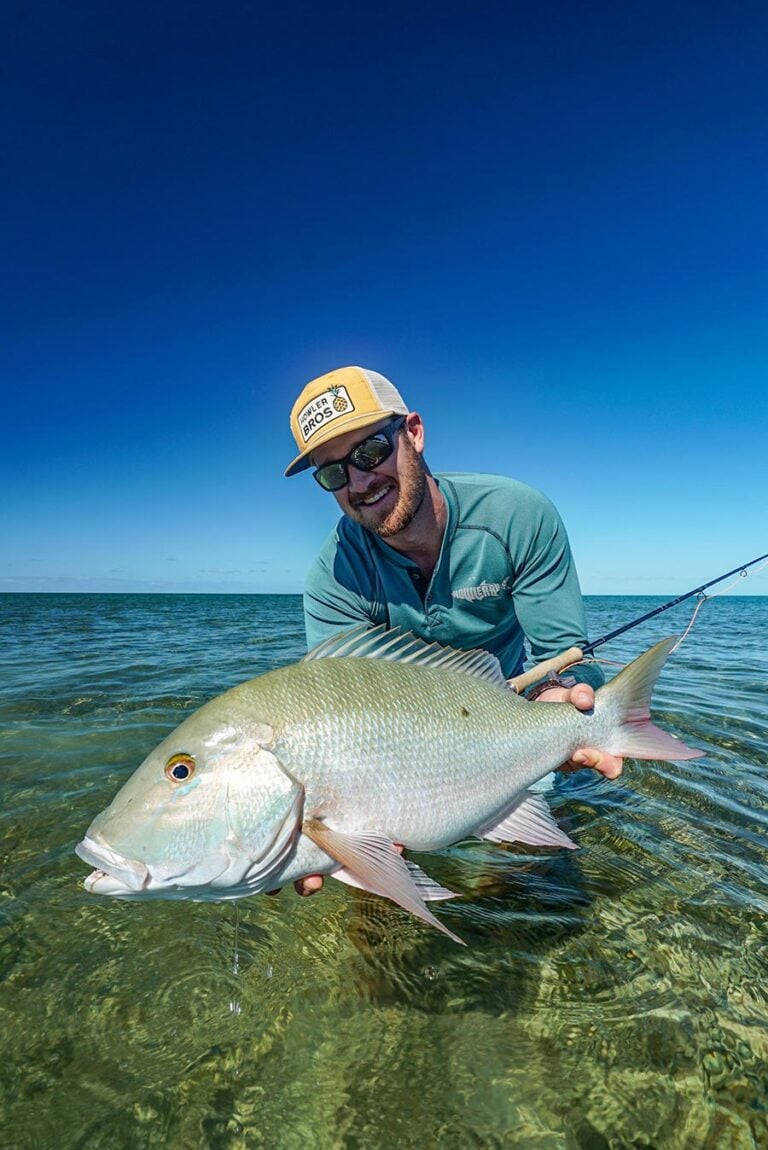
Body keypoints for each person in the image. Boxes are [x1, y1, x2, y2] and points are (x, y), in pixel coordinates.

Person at [284, 365, 622, 896]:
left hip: (511, 724)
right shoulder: (333, 579)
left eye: (370, 452)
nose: (359, 483)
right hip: (396, 751)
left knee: (523, 884)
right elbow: (337, 714)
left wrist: (561, 694)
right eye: (333, 473)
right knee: (373, 908)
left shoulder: (517, 516)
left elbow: (566, 654)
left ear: (413, 433)